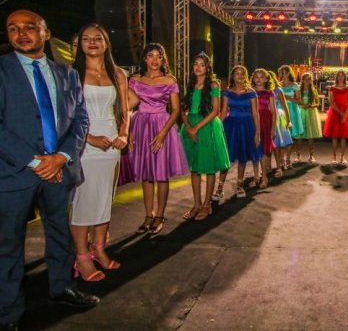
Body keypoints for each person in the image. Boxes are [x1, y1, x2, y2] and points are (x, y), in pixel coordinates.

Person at [0, 10, 98, 330]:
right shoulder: (2, 70)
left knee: (60, 233)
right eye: (13, 28)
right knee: (8, 244)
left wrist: (62, 157)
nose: (21, 34)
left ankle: (62, 287)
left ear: (46, 33)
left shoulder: (67, 73)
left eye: (29, 27)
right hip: (14, 173)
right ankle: (8, 312)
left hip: (60, 171)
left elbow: (80, 120)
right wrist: (37, 162)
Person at [70, 23, 129, 282]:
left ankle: (99, 249)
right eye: (86, 38)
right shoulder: (71, 73)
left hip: (111, 143)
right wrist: (89, 138)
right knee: (84, 201)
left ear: (106, 43)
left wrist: (124, 135)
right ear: (80, 44)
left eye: (98, 38)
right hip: (83, 144)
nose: (92, 42)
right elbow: (65, 115)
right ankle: (82, 257)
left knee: (105, 198)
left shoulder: (118, 74)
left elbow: (125, 111)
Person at [129, 43, 188, 235]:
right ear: (144, 58)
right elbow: (128, 107)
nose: (155, 60)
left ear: (163, 60)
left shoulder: (170, 80)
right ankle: (149, 215)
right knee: (146, 174)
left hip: (163, 125)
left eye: (159, 56)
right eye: (151, 56)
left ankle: (160, 216)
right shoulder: (135, 79)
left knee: (161, 174)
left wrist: (162, 134)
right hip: (140, 126)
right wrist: (129, 131)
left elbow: (176, 110)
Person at [180, 53, 230, 220]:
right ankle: (196, 204)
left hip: (207, 126)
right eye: (196, 64)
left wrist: (196, 127)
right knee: (194, 168)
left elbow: (215, 110)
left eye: (202, 64)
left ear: (208, 68)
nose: (198, 67)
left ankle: (207, 205)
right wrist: (188, 127)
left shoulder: (214, 85)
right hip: (190, 126)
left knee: (208, 168)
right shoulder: (190, 85)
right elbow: (183, 108)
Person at [221, 65, 260, 198]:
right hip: (230, 126)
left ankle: (239, 185)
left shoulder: (251, 92)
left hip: (246, 126)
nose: (240, 76)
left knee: (242, 157)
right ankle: (220, 187)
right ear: (232, 76)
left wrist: (257, 133)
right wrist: (216, 129)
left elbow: (255, 114)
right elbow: (223, 112)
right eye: (237, 73)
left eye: (242, 73)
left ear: (245, 76)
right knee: (226, 157)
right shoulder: (227, 92)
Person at [323, 70, 348, 164]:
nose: (340, 77)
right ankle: (334, 157)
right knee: (334, 136)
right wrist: (341, 113)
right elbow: (331, 102)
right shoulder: (332, 88)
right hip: (335, 112)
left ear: (345, 77)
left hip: (346, 112)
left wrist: (345, 114)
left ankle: (342, 157)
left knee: (343, 136)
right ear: (336, 77)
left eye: (342, 76)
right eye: (339, 76)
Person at [251, 69, 276, 189]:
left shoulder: (269, 92)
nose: (259, 79)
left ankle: (264, 177)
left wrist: (273, 129)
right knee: (254, 150)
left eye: (261, 77)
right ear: (253, 79)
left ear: (266, 79)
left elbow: (274, 112)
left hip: (265, 122)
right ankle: (256, 176)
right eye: (256, 77)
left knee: (264, 151)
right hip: (252, 122)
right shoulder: (250, 92)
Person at [268, 71, 292, 177]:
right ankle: (268, 166)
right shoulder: (262, 90)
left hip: (277, 117)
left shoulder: (278, 90)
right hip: (265, 117)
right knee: (268, 144)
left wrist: (288, 120)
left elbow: (285, 106)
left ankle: (279, 165)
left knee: (277, 142)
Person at [294, 72, 322, 162]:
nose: (307, 81)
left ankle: (311, 155)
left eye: (309, 79)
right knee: (299, 136)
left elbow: (317, 103)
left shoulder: (314, 91)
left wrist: (311, 106)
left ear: (311, 80)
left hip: (311, 113)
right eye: (305, 79)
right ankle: (298, 156)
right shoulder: (298, 90)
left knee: (311, 136)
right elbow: (296, 102)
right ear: (302, 80)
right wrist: (302, 105)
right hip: (301, 112)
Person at [279, 65, 303, 164]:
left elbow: (299, 101)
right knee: (281, 134)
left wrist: (287, 98)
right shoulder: (278, 85)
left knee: (290, 135)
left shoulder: (294, 85)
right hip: (280, 110)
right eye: (281, 73)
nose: (282, 74)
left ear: (289, 73)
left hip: (292, 110)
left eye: (284, 72)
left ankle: (288, 158)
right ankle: (281, 158)